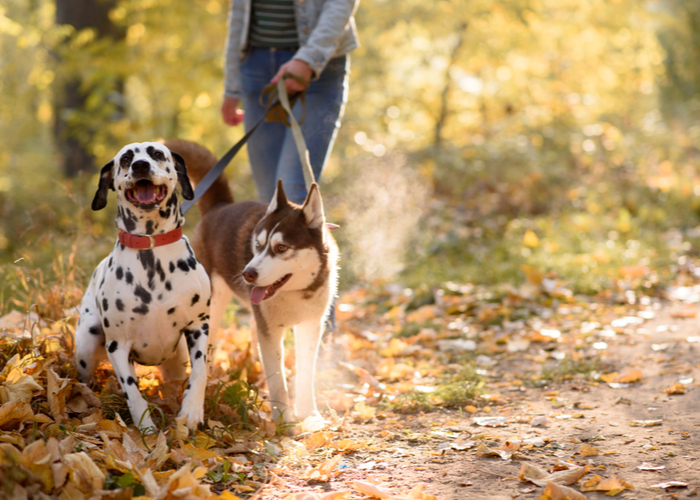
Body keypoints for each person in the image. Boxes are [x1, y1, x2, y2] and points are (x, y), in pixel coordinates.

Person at [221, 0, 360, 205]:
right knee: (269, 201)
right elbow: (240, 10)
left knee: (292, 194)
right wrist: (232, 86)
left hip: (320, 67)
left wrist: (308, 59)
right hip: (255, 67)